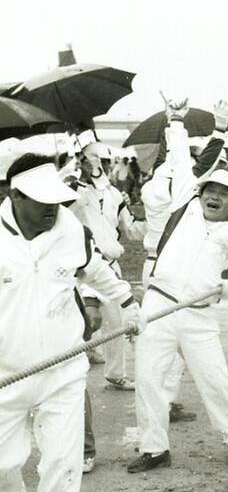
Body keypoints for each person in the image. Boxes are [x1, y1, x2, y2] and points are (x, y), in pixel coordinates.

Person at [0, 154, 144, 492]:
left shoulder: (71, 231)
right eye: (42, 201)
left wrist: (129, 304)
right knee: (2, 461)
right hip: (6, 372)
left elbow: (99, 271)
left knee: (63, 460)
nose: (53, 208)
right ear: (13, 195)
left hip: (63, 368)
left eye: (58, 200)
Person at [129, 109, 228, 473]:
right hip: (159, 307)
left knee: (216, 381)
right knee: (149, 379)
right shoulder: (182, 207)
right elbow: (182, 162)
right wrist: (175, 123)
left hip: (200, 316)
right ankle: (155, 449)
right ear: (200, 193)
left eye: (225, 194)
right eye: (211, 190)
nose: (214, 197)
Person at [69, 142, 147, 390]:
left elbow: (131, 229)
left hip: (110, 265)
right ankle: (73, 369)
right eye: (94, 162)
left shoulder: (114, 195)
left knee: (116, 323)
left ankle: (115, 374)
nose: (98, 167)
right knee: (78, 322)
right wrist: (79, 180)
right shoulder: (72, 192)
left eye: (103, 162)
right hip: (80, 267)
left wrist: (157, 219)